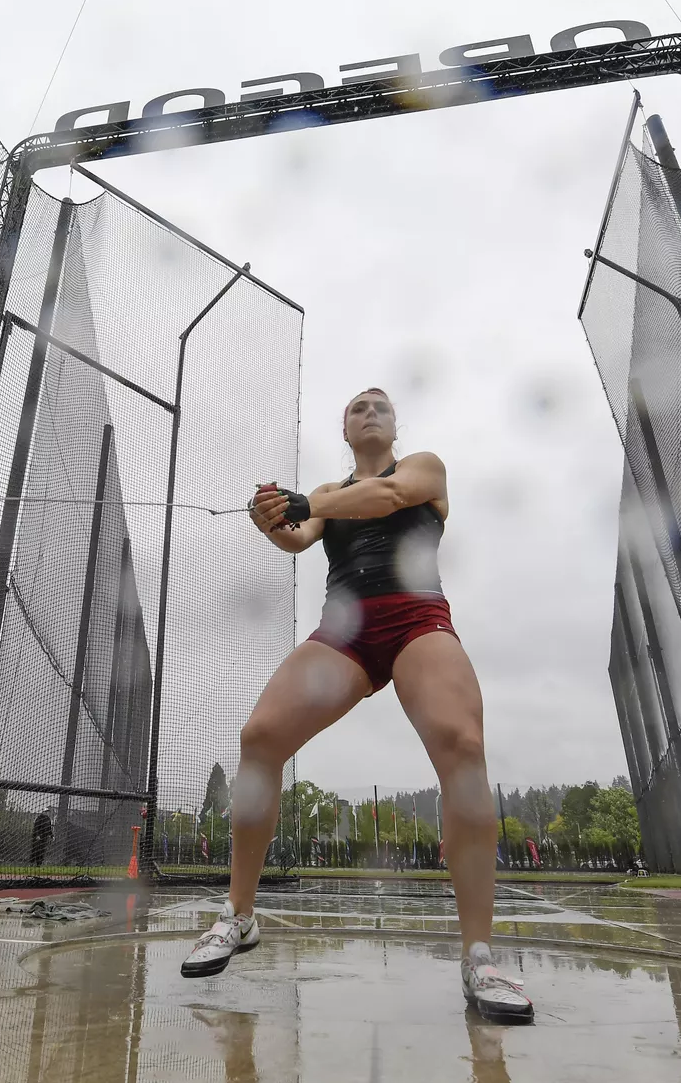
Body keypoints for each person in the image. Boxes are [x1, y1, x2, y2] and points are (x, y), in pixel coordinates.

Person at [178, 388, 533, 1022]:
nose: (369, 410)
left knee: (463, 745)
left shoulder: (423, 467)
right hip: (344, 629)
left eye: (381, 405)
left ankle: (479, 955)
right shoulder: (326, 491)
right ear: (345, 430)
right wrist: (273, 519)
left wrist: (306, 503)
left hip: (417, 619)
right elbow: (299, 536)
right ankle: (238, 915)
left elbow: (387, 499)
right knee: (259, 737)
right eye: (357, 407)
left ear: (395, 425)